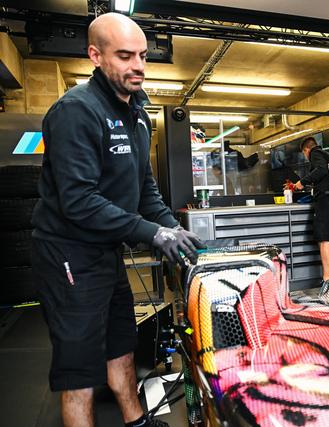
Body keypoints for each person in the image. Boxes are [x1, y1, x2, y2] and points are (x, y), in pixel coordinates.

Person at [30, 13, 205, 427]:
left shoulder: (138, 114)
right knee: (80, 368)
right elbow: (79, 201)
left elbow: (145, 189)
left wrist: (174, 230)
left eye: (142, 55)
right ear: (95, 55)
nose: (138, 65)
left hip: (106, 251)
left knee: (121, 343)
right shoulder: (76, 111)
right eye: (125, 56)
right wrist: (152, 233)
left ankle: (136, 421)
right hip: (68, 254)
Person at [293, 137, 329, 283]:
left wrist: (302, 182)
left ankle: (327, 279)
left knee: (324, 239)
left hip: (325, 200)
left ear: (306, 150)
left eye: (304, 154)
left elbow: (321, 169)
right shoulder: (328, 155)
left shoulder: (315, 154)